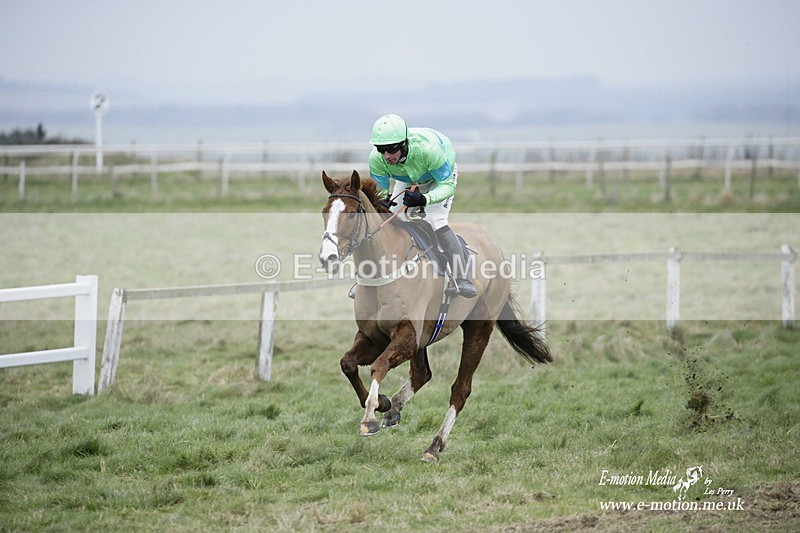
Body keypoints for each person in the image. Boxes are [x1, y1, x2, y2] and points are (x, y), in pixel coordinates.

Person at [368, 113, 477, 298]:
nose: (386, 156)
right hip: (407, 177)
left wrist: (423, 200)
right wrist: (381, 203)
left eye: (391, 150)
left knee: (435, 220)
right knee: (389, 220)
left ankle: (462, 277)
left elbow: (447, 186)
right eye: (381, 149)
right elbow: (380, 193)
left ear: (403, 144)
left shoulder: (428, 150)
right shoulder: (377, 159)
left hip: (438, 176)